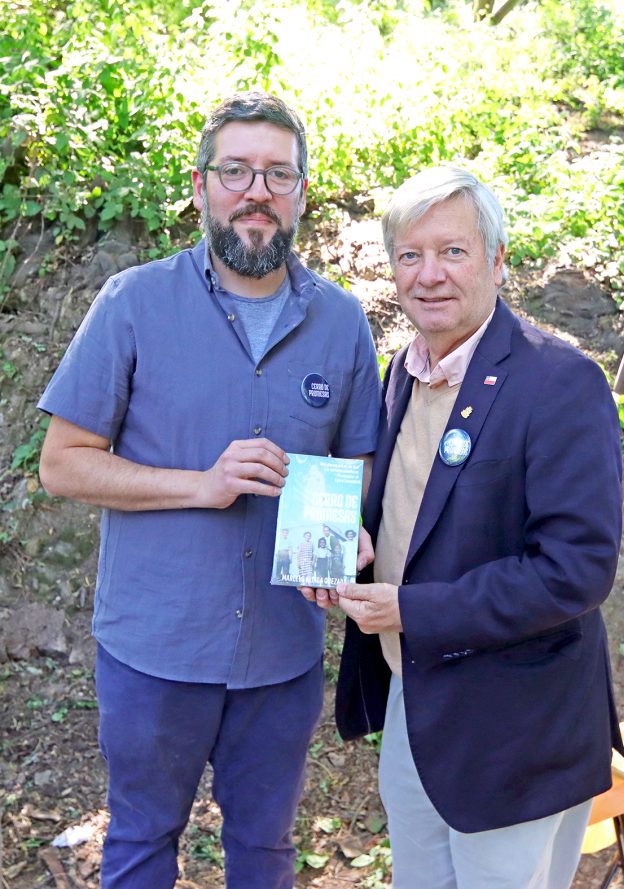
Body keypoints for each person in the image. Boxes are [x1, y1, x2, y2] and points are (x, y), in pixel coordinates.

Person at [37, 91, 380, 889]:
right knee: (142, 841)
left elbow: (359, 467)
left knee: (263, 852)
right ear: (200, 185)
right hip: (156, 648)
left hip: (281, 653)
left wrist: (349, 526)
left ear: (300, 193)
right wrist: (202, 484)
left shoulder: (341, 321)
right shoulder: (134, 302)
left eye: (277, 174)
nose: (256, 190)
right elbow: (62, 462)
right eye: (236, 170)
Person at [329, 166, 624, 889]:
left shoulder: (559, 381)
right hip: (417, 697)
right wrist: (351, 548)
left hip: (515, 732)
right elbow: (411, 510)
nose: (429, 274)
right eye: (410, 254)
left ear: (497, 260)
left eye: (453, 251)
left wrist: (410, 609)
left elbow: (576, 568)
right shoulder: (402, 368)